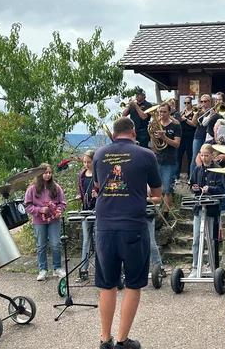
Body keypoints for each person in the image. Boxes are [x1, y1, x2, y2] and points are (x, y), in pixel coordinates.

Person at [92, 117, 162, 349]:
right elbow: (158, 191)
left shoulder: (99, 155)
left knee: (107, 284)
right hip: (133, 225)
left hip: (104, 225)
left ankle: (105, 340)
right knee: (133, 284)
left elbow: (97, 185)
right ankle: (122, 341)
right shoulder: (146, 155)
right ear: (133, 131)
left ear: (114, 134)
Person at [25, 164, 67, 281]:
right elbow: (28, 206)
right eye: (45, 173)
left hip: (54, 220)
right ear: (39, 174)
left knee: (56, 244)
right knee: (41, 245)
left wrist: (58, 211)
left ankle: (57, 268)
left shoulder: (56, 187)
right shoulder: (32, 189)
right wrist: (40, 210)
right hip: (39, 221)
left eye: (49, 173)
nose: (47, 175)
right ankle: (43, 269)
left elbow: (62, 203)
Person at [189, 144, 224, 278]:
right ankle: (195, 267)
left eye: (206, 155)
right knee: (196, 239)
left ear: (212, 155)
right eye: (202, 155)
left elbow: (221, 189)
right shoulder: (197, 169)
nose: (204, 158)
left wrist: (210, 188)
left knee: (211, 239)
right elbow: (191, 185)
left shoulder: (218, 170)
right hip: (199, 207)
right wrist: (195, 189)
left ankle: (212, 266)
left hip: (212, 209)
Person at [154, 102, 182, 224]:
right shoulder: (156, 124)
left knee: (167, 189)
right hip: (156, 158)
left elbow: (177, 144)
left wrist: (164, 138)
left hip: (169, 160)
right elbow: (153, 142)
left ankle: (166, 213)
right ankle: (155, 212)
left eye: (164, 112)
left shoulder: (175, 125)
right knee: (154, 188)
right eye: (160, 112)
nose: (162, 114)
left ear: (169, 112)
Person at [75, 150, 97, 282]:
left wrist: (97, 194)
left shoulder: (98, 174)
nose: (86, 164)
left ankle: (101, 269)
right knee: (86, 240)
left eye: (89, 162)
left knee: (99, 239)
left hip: (97, 209)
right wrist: (79, 195)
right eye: (84, 162)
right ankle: (84, 269)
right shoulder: (81, 175)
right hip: (85, 209)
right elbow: (80, 189)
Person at [190, 94, 212, 176]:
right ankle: (192, 177)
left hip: (208, 136)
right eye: (201, 101)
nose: (203, 103)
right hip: (198, 135)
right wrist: (196, 113)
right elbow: (194, 123)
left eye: (205, 101)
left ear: (209, 102)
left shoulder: (212, 111)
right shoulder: (198, 111)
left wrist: (206, 113)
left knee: (206, 157)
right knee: (195, 157)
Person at [174, 96, 196, 181]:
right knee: (178, 156)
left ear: (191, 103)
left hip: (190, 136)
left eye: (188, 103)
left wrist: (185, 119)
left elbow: (194, 124)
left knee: (190, 156)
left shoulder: (194, 112)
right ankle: (176, 175)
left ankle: (190, 174)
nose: (186, 104)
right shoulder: (182, 112)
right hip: (181, 136)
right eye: (185, 103)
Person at [146, 187, 166, 278]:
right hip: (131, 214)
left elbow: (157, 198)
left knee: (150, 242)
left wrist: (144, 198)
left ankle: (159, 267)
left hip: (147, 214)